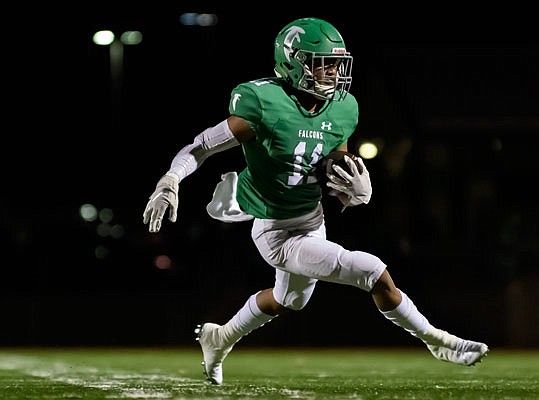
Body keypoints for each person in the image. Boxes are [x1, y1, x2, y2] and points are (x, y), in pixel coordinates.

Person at [143, 17, 489, 385]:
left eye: (336, 63)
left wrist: (351, 190)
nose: (332, 72)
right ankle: (438, 341)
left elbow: (332, 163)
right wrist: (171, 178)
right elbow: (203, 145)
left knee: (289, 300)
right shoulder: (262, 101)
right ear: (292, 62)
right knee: (372, 272)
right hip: (276, 230)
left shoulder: (343, 108)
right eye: (322, 62)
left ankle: (220, 336)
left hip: (312, 219)